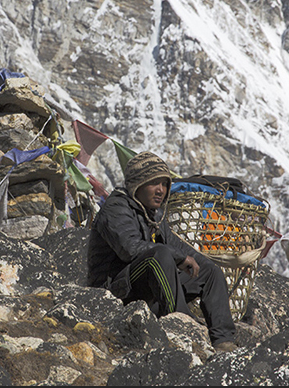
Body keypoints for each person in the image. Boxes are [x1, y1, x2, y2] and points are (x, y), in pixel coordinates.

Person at [87, 151, 238, 352]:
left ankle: (224, 341)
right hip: (118, 292)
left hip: (148, 289)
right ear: (137, 186)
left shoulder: (153, 214)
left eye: (165, 184)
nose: (161, 190)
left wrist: (197, 260)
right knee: (160, 255)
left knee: (209, 270)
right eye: (153, 183)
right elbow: (130, 249)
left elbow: (177, 246)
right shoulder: (116, 208)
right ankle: (182, 326)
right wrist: (179, 257)